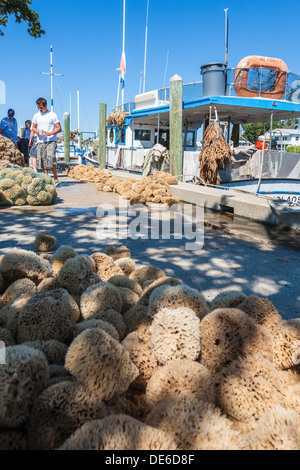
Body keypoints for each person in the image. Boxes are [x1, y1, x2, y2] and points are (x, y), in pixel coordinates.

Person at [31, 97, 61, 187]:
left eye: (41, 107)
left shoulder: (52, 115)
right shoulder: (36, 116)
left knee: (50, 158)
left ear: (45, 105)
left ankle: (55, 178)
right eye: (38, 108)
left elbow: (59, 128)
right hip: (40, 141)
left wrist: (50, 133)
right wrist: (39, 132)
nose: (39, 109)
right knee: (43, 161)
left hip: (51, 140)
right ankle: (47, 180)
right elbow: (33, 127)